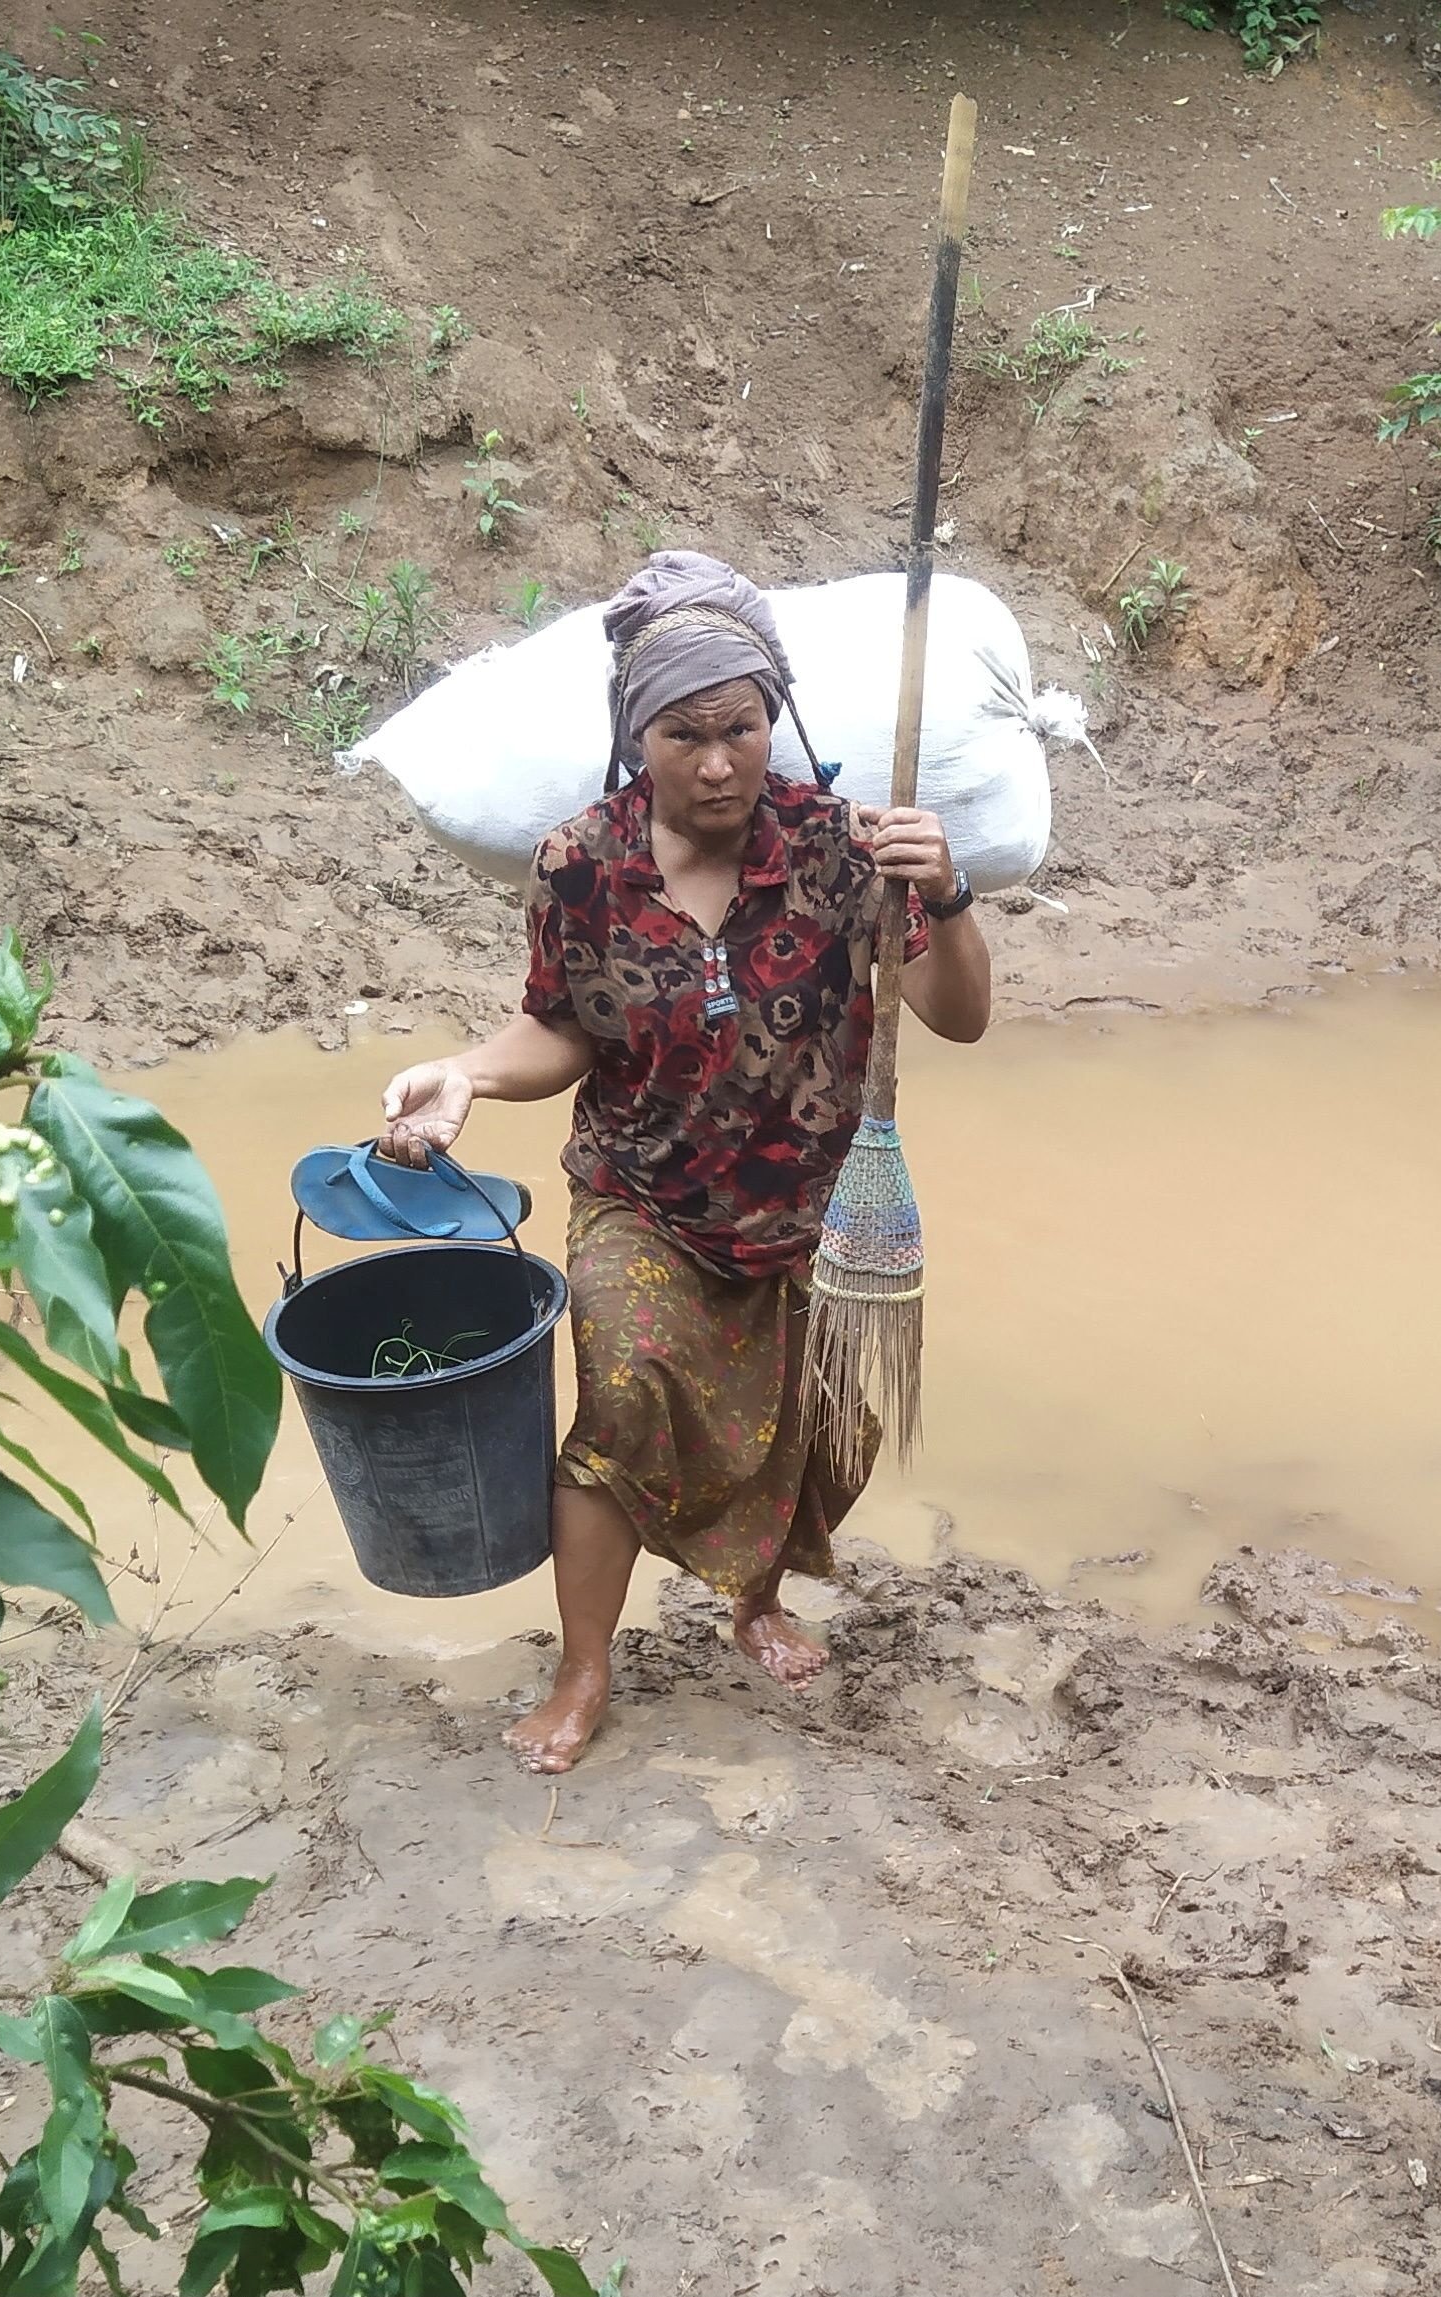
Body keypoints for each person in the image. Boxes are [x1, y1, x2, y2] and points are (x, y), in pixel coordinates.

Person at [377, 551, 992, 1773]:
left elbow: (958, 1015)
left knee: (819, 1432)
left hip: (813, 1211)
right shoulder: (578, 863)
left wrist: (950, 894)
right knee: (626, 1390)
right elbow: (557, 1027)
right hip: (642, 1195)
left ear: (774, 723)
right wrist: (466, 1075)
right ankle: (584, 1663)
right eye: (683, 734)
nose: (716, 762)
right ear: (634, 733)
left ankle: (754, 1601)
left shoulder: (842, 848)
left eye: (741, 728)